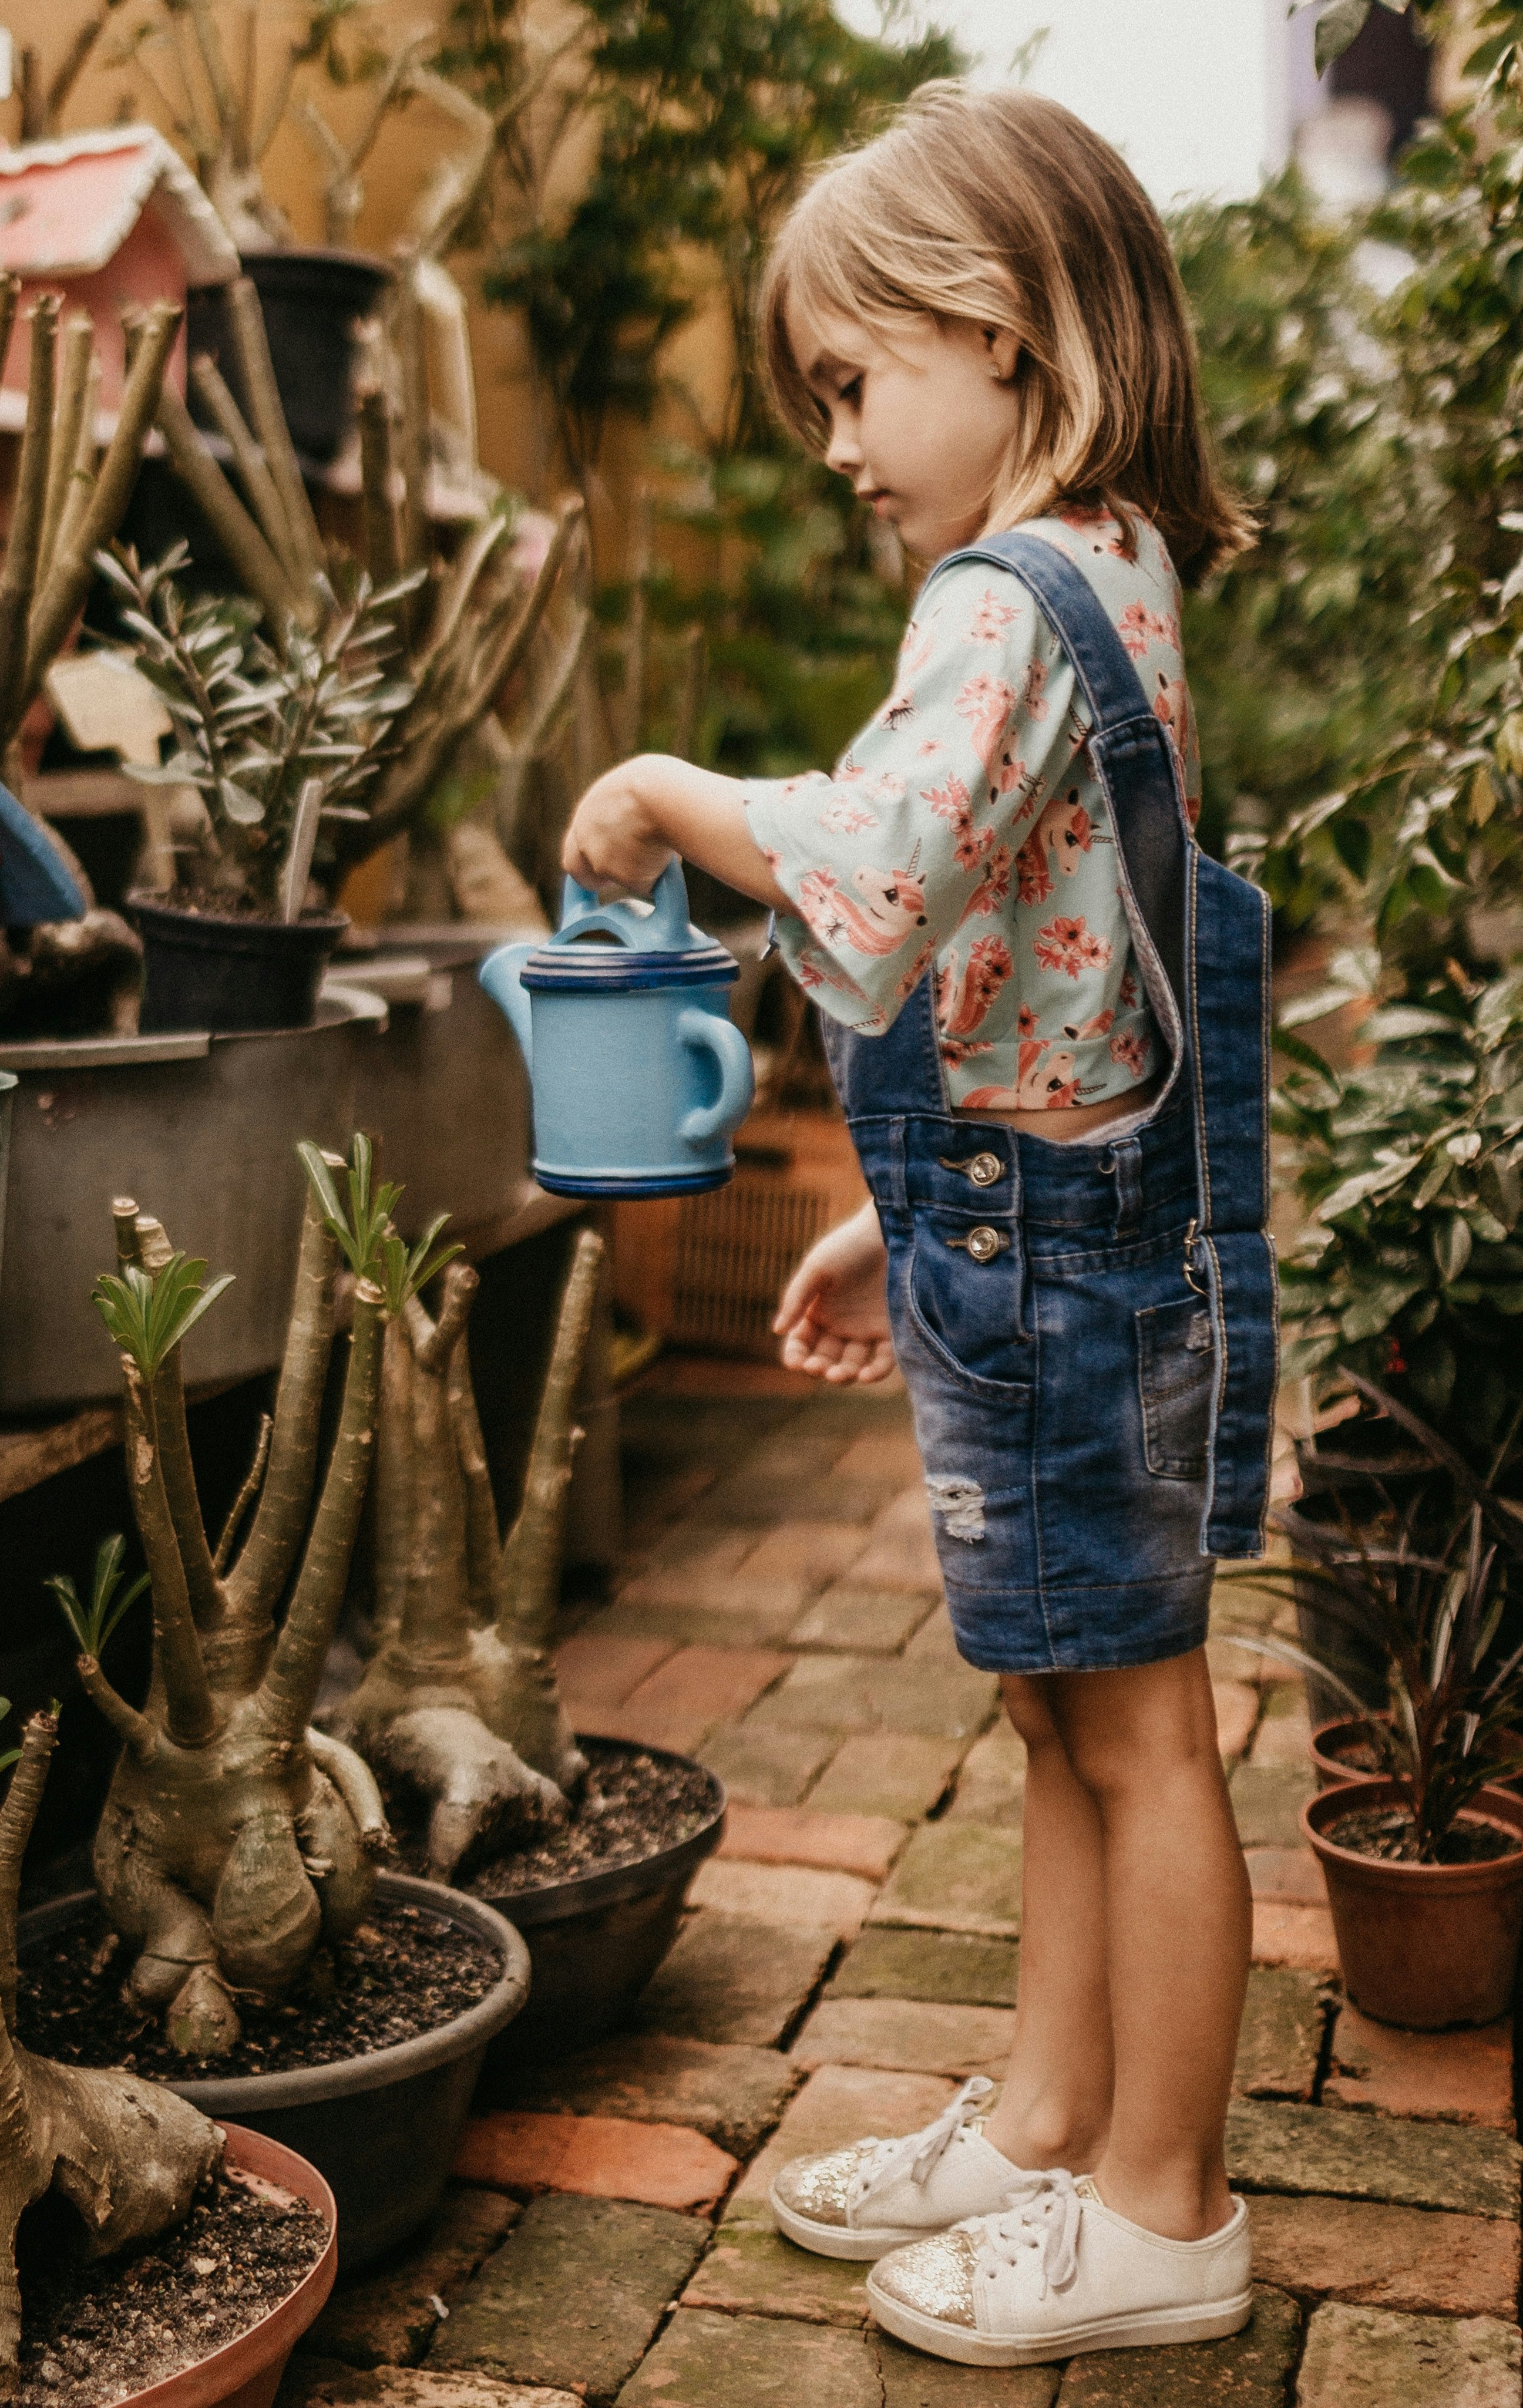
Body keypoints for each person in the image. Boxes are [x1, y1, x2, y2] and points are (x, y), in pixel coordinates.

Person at [561, 81, 1274, 2369]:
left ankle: (1160, 2195)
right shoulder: (1106, 577)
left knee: (1132, 1727)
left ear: (991, 330)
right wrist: (906, 1220)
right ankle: (1055, 2109)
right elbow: (1058, 951)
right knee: (1066, 1713)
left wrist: (666, 792)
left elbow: (870, 870)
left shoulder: (1008, 590)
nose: (836, 445)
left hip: (1060, 1251)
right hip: (1047, 1211)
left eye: (850, 385)